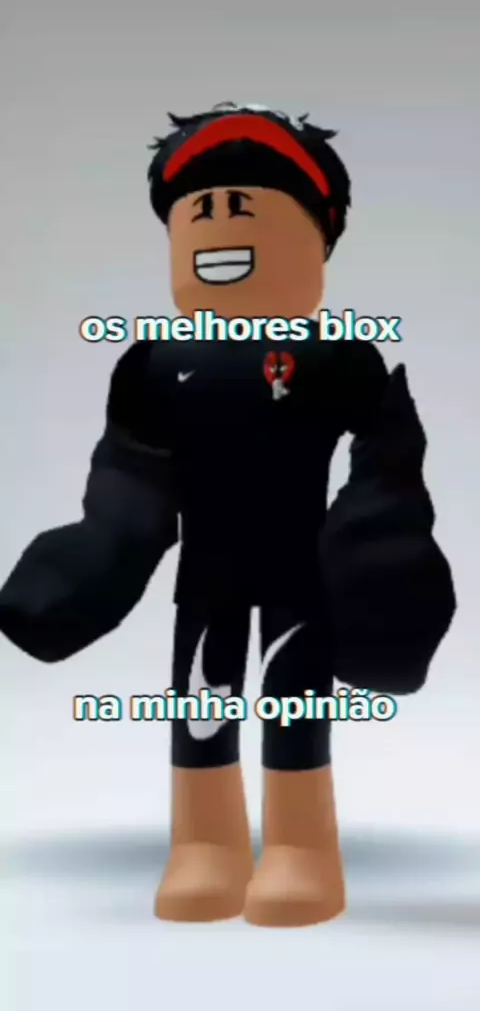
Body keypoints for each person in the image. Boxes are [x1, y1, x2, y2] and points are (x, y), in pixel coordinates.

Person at [0, 103, 456, 927]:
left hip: (299, 573)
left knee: (293, 700)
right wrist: (90, 561)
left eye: (245, 204)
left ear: (320, 237)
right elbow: (127, 479)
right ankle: (204, 844)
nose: (218, 223)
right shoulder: (151, 364)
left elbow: (388, 456)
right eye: (199, 210)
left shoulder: (341, 356)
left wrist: (380, 556)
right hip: (204, 573)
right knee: (199, 704)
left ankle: (301, 848)